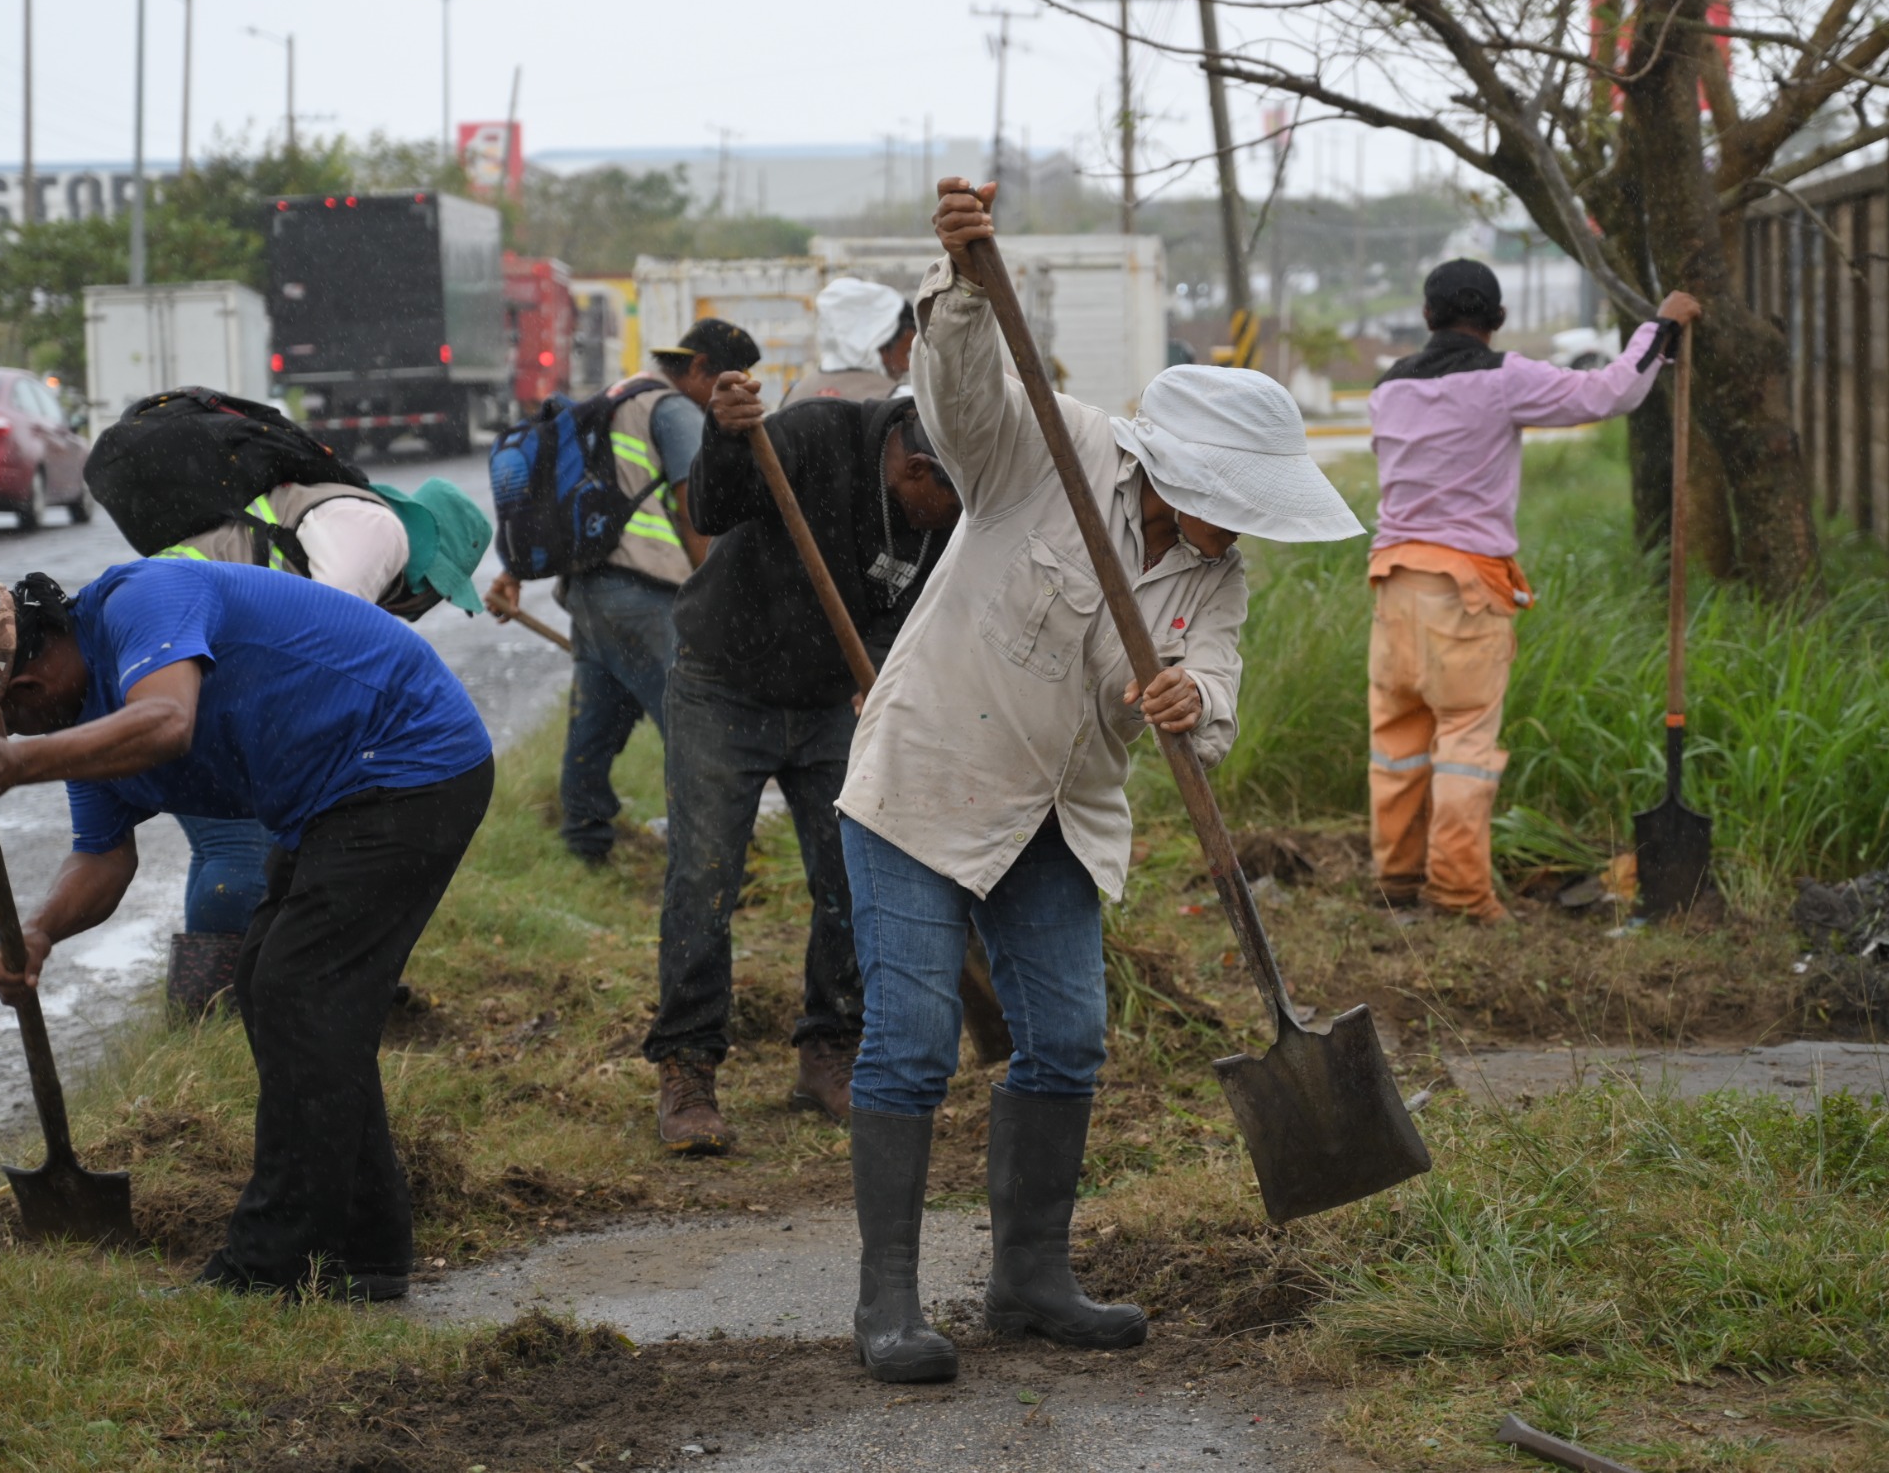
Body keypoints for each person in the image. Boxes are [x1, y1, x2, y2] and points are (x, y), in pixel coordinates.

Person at [834, 178, 1363, 1384]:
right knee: (911, 1041)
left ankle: (1028, 1276)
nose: (1241, 532)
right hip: (928, 779)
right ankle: (889, 1302)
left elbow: (1211, 682)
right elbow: (958, 399)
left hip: (1058, 815)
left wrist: (1194, 702)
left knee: (1068, 1036)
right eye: (1231, 506)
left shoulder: (1217, 580)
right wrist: (965, 289)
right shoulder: (1052, 448)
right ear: (1176, 472)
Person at [0, 560, 494, 1299]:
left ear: (28, 685)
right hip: (334, 798)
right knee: (270, 985)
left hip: (409, 761)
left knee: (299, 990)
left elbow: (167, 721)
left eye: (16, 717)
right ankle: (366, 1251)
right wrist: (38, 933)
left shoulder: (143, 603)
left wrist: (19, 760)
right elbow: (102, 857)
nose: (23, 732)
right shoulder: (83, 722)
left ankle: (271, 1265)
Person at [645, 375, 962, 1152]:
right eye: (945, 505)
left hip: (831, 703)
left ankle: (831, 1048)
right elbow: (710, 510)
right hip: (724, 684)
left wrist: (883, 674)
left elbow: (925, 612)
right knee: (704, 875)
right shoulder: (817, 434)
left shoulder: (951, 512)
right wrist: (724, 433)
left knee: (851, 875)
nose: (952, 524)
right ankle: (687, 1067)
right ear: (915, 472)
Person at [1366, 259, 1697, 923]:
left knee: (1397, 738)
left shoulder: (1388, 388)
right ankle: (1459, 894)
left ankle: (1396, 881)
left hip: (1393, 583)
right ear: (1496, 321)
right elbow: (1611, 393)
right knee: (1464, 744)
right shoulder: (1502, 378)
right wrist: (1662, 326)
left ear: (1427, 316)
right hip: (1463, 590)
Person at [144, 472, 493, 1015]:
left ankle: (231, 1003)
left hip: (175, 642)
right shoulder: (373, 534)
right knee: (237, 847)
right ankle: (213, 1015)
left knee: (225, 844)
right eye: (439, 590)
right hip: (178, 650)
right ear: (429, 558)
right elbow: (319, 659)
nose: (426, 605)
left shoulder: (342, 523)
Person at [487, 318, 760, 863]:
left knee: (596, 717)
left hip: (589, 593)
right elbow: (695, 515)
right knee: (694, 724)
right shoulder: (677, 411)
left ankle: (584, 843)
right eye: (730, 379)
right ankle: (716, 856)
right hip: (645, 595)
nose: (732, 395)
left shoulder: (612, 400)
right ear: (700, 367)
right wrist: (721, 602)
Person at [783, 276, 915, 404]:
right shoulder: (899, 400)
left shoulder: (795, 395)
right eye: (906, 353)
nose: (906, 366)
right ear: (880, 346)